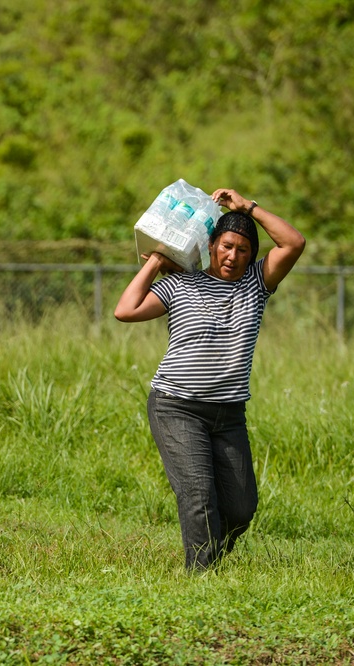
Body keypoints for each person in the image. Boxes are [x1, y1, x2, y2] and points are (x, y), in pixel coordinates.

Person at [114, 189, 305, 570]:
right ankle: (200, 582)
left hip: (228, 415)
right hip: (177, 408)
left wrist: (247, 207)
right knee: (199, 496)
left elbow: (294, 242)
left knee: (240, 509)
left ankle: (210, 560)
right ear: (211, 245)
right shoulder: (180, 284)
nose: (233, 256)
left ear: (252, 255)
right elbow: (125, 310)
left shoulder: (257, 284)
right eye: (226, 247)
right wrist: (156, 261)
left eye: (243, 250)